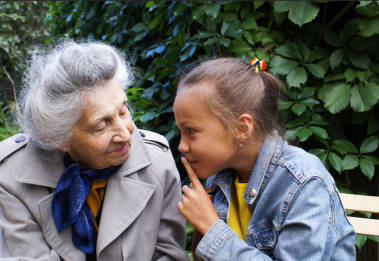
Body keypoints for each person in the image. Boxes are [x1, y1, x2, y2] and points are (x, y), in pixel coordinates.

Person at [0, 41, 190, 261]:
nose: (126, 135)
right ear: (58, 138)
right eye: (101, 125)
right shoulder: (11, 177)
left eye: (123, 111)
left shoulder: (157, 160)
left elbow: (171, 254)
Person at [173, 57, 356, 261]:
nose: (181, 145)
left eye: (191, 130)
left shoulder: (304, 182)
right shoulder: (219, 177)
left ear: (241, 129)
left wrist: (210, 226)